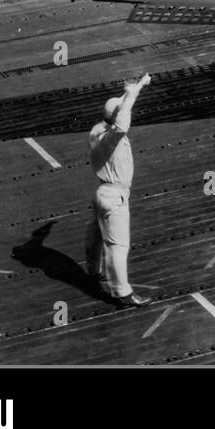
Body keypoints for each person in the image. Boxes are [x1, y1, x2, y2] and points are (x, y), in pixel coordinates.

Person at [85, 73, 152, 308]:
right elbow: (122, 121)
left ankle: (92, 269)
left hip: (101, 192)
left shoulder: (96, 131)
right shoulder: (112, 137)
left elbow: (118, 112)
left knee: (95, 235)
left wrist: (137, 87)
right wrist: (133, 93)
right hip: (115, 197)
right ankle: (122, 292)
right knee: (117, 246)